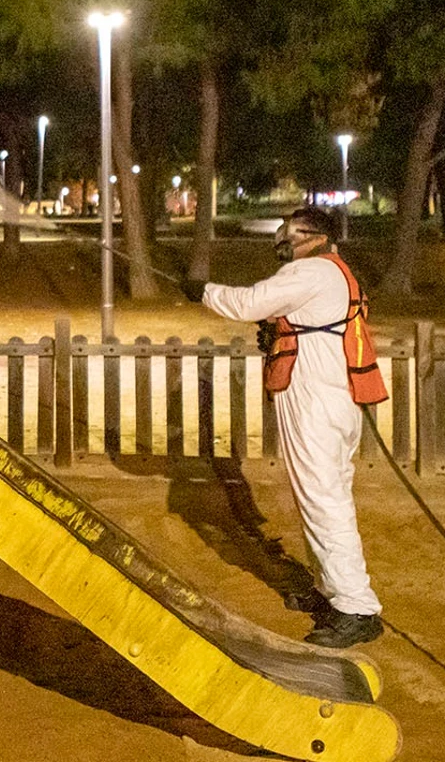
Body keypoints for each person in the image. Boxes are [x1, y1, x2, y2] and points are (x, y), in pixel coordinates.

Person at [182, 206, 387, 648]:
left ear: (313, 236)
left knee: (323, 500)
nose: (283, 240)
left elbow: (248, 301)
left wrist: (203, 291)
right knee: (325, 497)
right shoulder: (332, 272)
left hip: (316, 401)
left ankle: (357, 607)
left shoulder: (311, 271)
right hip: (333, 398)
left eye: (290, 232)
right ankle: (335, 592)